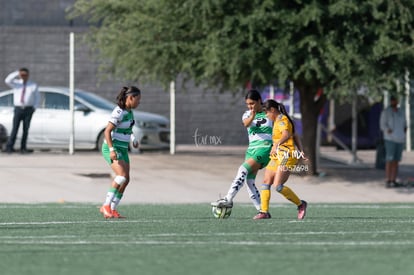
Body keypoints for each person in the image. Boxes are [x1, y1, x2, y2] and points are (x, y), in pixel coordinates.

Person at [211, 89, 273, 211]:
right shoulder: (247, 114)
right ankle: (262, 210)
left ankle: (228, 198)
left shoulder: (269, 114)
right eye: (248, 104)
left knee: (242, 169)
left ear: (259, 101)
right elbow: (246, 123)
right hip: (251, 150)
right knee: (249, 181)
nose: (250, 106)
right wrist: (253, 114)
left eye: (252, 103)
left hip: (264, 148)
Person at [253, 99, 307, 220]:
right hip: (277, 156)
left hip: (286, 155)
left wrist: (277, 145)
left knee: (278, 186)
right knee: (266, 182)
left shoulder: (282, 120)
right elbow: (295, 135)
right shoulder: (277, 121)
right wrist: (301, 150)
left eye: (267, 112)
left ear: (272, 110)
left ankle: (300, 204)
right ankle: (264, 211)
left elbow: (286, 135)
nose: (266, 115)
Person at [100, 86, 141, 218]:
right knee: (121, 176)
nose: (139, 102)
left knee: (126, 179)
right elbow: (107, 131)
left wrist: (133, 139)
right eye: (138, 99)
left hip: (122, 148)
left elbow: (128, 128)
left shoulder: (129, 112)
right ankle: (105, 206)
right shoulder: (119, 111)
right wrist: (111, 150)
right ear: (130, 98)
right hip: (112, 147)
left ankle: (112, 208)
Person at [4, 68, 39, 154]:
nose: (24, 77)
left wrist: (34, 107)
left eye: (25, 75)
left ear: (28, 75)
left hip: (28, 109)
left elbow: (37, 97)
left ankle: (23, 148)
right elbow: (7, 80)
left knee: (25, 129)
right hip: (18, 109)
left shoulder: (32, 85)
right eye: (22, 75)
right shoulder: (16, 83)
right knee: (15, 128)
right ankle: (10, 147)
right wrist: (17, 73)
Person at [379, 95, 407, 188]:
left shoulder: (401, 112)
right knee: (389, 160)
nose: (394, 102)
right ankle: (388, 180)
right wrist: (388, 130)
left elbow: (405, 124)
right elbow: (382, 125)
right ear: (390, 101)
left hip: (400, 139)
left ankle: (393, 180)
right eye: (392, 100)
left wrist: (404, 133)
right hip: (390, 139)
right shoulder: (386, 112)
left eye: (395, 100)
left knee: (396, 160)